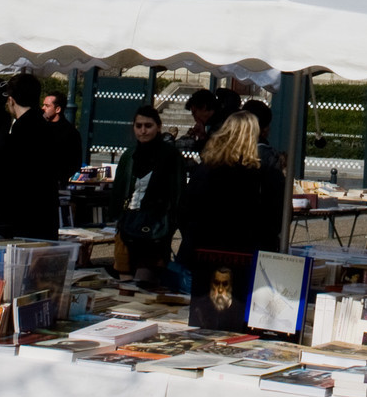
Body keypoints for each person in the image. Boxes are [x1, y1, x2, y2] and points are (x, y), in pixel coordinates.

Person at [178, 112, 281, 267]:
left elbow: (185, 210)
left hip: (205, 254)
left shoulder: (205, 170)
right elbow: (277, 218)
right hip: (247, 257)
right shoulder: (265, 173)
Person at [0, 72, 63, 240]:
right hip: (44, 215)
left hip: (19, 219)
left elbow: (1, 173)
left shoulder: (19, 131)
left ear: (11, 99)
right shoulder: (47, 128)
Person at [112, 104, 188, 285]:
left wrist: (171, 224)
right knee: (124, 283)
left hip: (155, 228)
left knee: (144, 282)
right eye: (138, 126)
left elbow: (177, 192)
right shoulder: (130, 155)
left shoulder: (171, 155)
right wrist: (116, 218)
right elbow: (119, 189)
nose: (143, 131)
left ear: (158, 127)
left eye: (148, 126)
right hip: (127, 224)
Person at [40, 88, 86, 179]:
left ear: (58, 109)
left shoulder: (70, 132)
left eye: (47, 106)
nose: (43, 108)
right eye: (43, 105)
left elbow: (75, 162)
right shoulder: (40, 127)